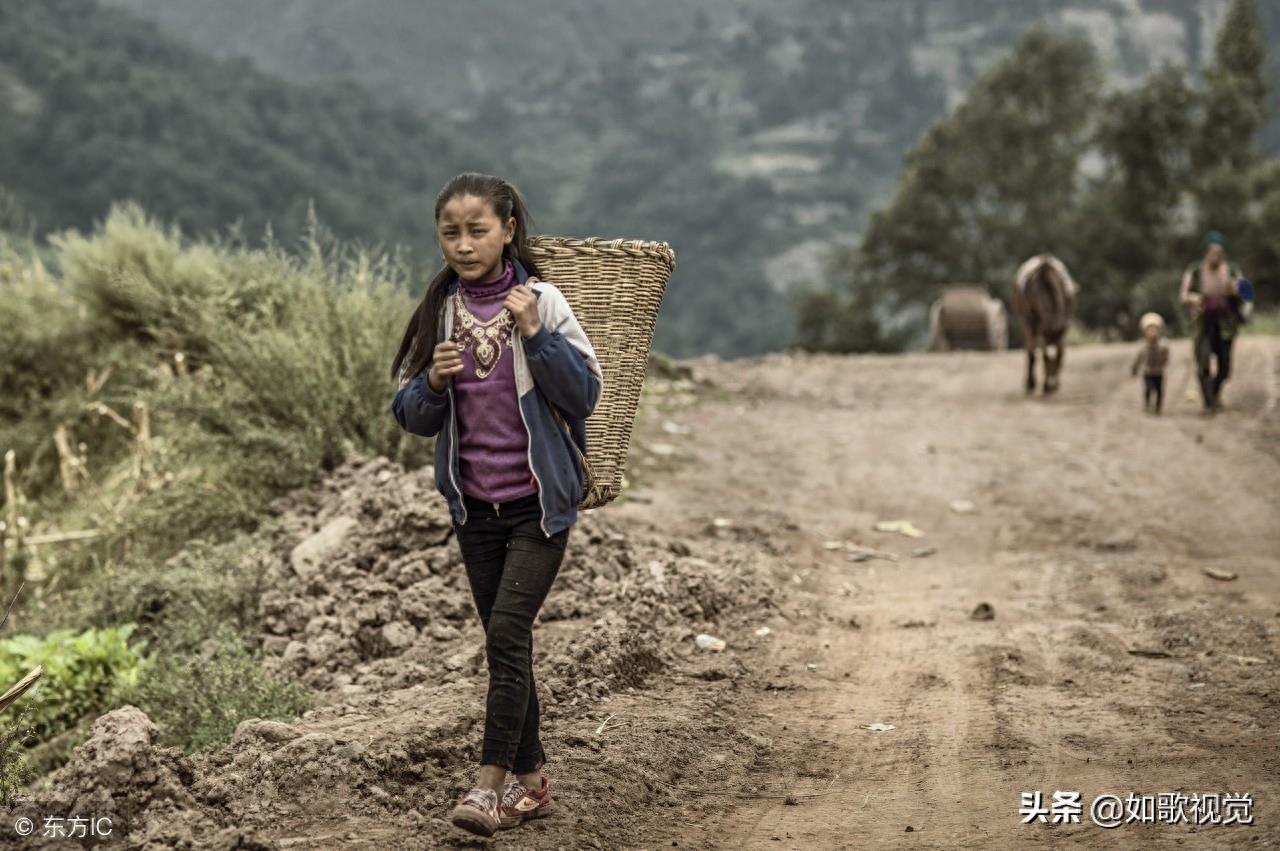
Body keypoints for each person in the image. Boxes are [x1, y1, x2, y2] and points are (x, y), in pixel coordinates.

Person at [389, 173, 603, 837]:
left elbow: (584, 395)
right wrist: (432, 381)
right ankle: (534, 782)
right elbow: (412, 415)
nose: (463, 242)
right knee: (504, 643)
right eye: (450, 231)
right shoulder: (442, 311)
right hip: (474, 510)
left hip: (539, 507)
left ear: (509, 229)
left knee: (508, 634)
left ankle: (488, 787)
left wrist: (538, 335)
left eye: (477, 229)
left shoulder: (543, 302)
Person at [1180, 231, 1244, 413]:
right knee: (1203, 363)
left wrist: (1236, 291)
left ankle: (1214, 393)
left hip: (1225, 323)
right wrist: (1194, 299)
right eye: (1212, 252)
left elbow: (1248, 293)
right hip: (1203, 321)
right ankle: (1208, 403)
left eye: (1219, 252)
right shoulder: (1195, 271)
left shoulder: (1232, 270)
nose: (1215, 256)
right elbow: (1183, 295)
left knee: (1225, 367)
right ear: (1206, 252)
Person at [1130, 312, 1170, 414]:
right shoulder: (1143, 345)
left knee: (1159, 390)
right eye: (1149, 329)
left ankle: (1158, 407)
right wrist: (1134, 368)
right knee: (1148, 389)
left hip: (1159, 372)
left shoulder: (1162, 345)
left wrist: (1164, 362)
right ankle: (1147, 404)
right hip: (1148, 372)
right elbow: (1138, 358)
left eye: (1154, 329)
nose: (1152, 332)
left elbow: (1166, 357)